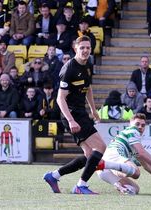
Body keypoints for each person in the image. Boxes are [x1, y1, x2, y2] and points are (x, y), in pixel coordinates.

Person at [43, 36, 134, 195]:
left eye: (88, 47)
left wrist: (93, 110)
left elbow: (88, 88)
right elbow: (60, 99)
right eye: (82, 48)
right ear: (75, 48)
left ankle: (54, 175)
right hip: (72, 115)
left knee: (90, 155)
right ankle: (80, 185)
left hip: (81, 113)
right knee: (101, 148)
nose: (85, 50)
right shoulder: (69, 68)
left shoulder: (88, 65)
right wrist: (71, 120)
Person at [97, 113, 151, 195]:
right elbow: (142, 153)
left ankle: (119, 186)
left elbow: (147, 166)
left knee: (135, 189)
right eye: (137, 124)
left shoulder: (132, 140)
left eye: (143, 125)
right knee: (136, 172)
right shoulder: (133, 130)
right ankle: (105, 165)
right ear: (130, 123)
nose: (140, 127)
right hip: (112, 157)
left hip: (104, 172)